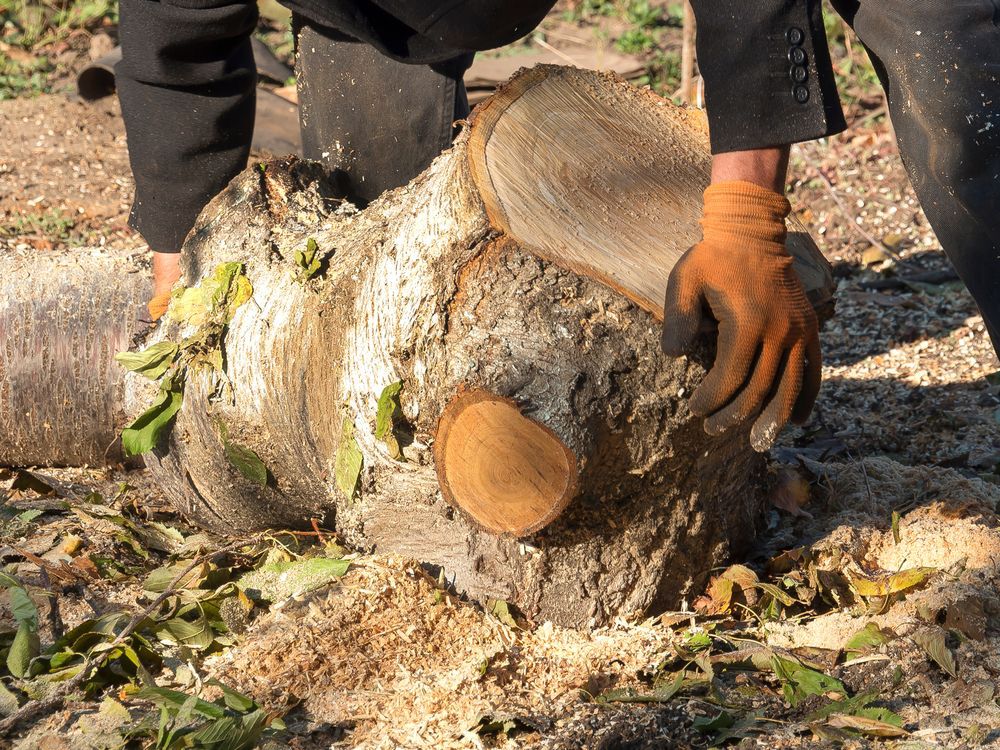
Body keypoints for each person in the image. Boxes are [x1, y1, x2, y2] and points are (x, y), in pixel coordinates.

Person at [117, 0, 1000, 453]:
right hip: (381, 17)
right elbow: (174, 50)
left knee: (964, 98)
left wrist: (745, 213)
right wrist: (180, 282)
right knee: (377, 301)